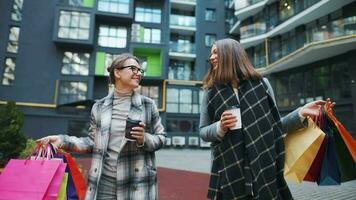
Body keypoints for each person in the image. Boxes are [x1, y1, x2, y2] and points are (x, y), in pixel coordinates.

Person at [199, 38, 333, 200]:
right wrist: (220, 127)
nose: (211, 58)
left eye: (215, 52)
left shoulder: (262, 85)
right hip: (229, 171)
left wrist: (301, 113)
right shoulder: (210, 92)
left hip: (264, 166)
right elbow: (203, 132)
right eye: (210, 54)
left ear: (231, 54)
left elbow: (274, 126)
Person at [37, 53, 166, 200]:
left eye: (140, 70)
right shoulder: (98, 107)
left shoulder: (148, 105)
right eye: (133, 69)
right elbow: (92, 142)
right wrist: (62, 140)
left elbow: (162, 138)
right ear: (117, 72)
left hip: (136, 183)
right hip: (104, 183)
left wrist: (144, 139)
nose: (138, 73)